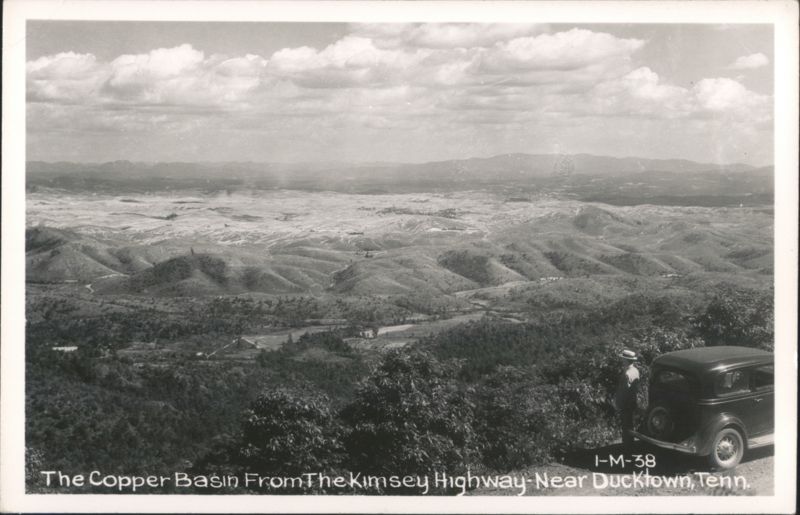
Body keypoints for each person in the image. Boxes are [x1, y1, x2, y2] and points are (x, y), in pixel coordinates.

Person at [614, 349, 640, 449]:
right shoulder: (636, 371)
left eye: (623, 359)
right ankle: (630, 445)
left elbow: (623, 391)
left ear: (625, 360)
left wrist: (618, 403)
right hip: (633, 401)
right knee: (630, 424)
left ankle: (627, 448)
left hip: (626, 403)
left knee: (625, 425)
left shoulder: (626, 374)